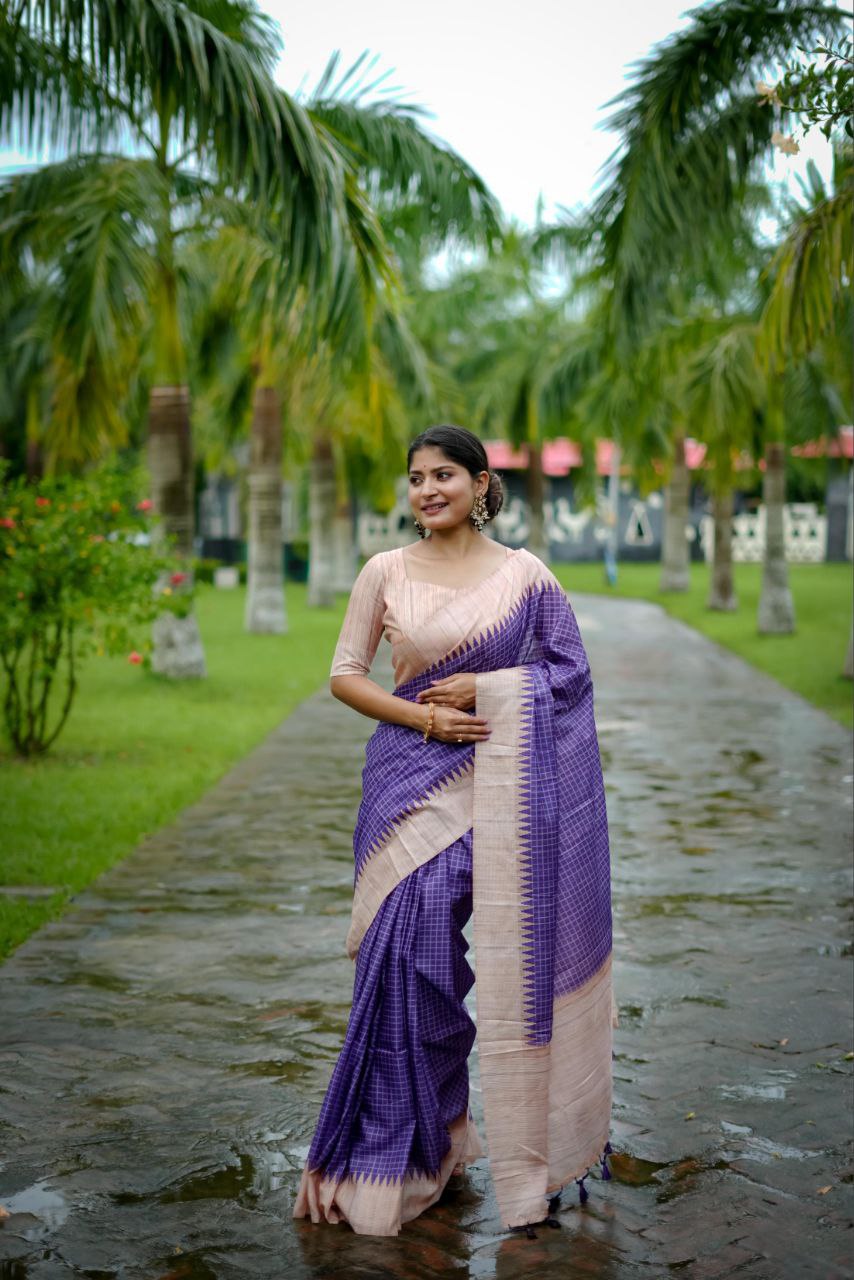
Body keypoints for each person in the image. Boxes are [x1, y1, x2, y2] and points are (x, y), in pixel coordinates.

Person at [293, 424, 617, 1238]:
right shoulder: (385, 571)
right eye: (415, 478)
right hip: (405, 788)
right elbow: (343, 676)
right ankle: (404, 1156)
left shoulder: (526, 577)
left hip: (503, 793)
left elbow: (570, 674)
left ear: (480, 484)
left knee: (496, 966)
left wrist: (489, 686)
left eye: (443, 475)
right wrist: (425, 720)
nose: (427, 490)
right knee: (408, 963)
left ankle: (475, 1146)